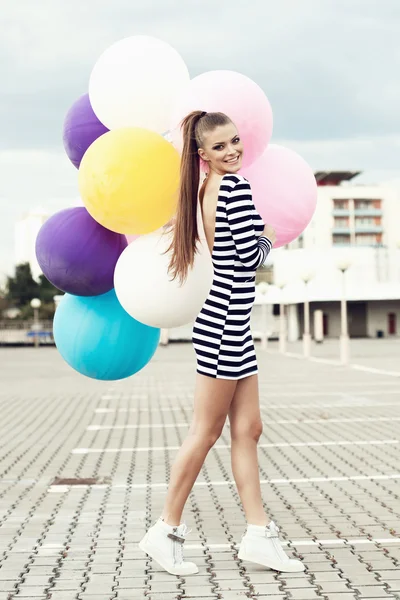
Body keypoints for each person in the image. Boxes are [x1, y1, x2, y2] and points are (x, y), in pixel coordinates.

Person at [139, 111, 304, 575]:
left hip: (229, 320)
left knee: (249, 429)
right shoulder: (234, 187)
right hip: (227, 321)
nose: (232, 150)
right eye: (220, 147)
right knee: (205, 432)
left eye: (234, 141)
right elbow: (251, 256)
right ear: (202, 155)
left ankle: (258, 535)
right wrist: (270, 237)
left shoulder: (204, 189)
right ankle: (165, 531)